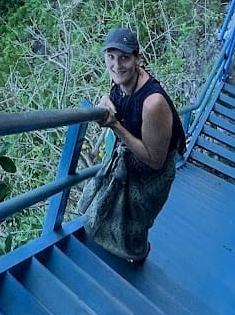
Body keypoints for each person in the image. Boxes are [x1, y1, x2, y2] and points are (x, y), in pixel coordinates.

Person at [78, 26, 186, 266]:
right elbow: (116, 107)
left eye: (124, 58)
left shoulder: (153, 102)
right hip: (129, 158)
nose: (116, 65)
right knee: (113, 209)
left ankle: (138, 255)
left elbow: (155, 161)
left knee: (135, 223)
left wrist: (115, 126)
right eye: (111, 57)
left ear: (138, 58)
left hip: (151, 174)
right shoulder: (121, 83)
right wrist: (105, 101)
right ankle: (112, 242)